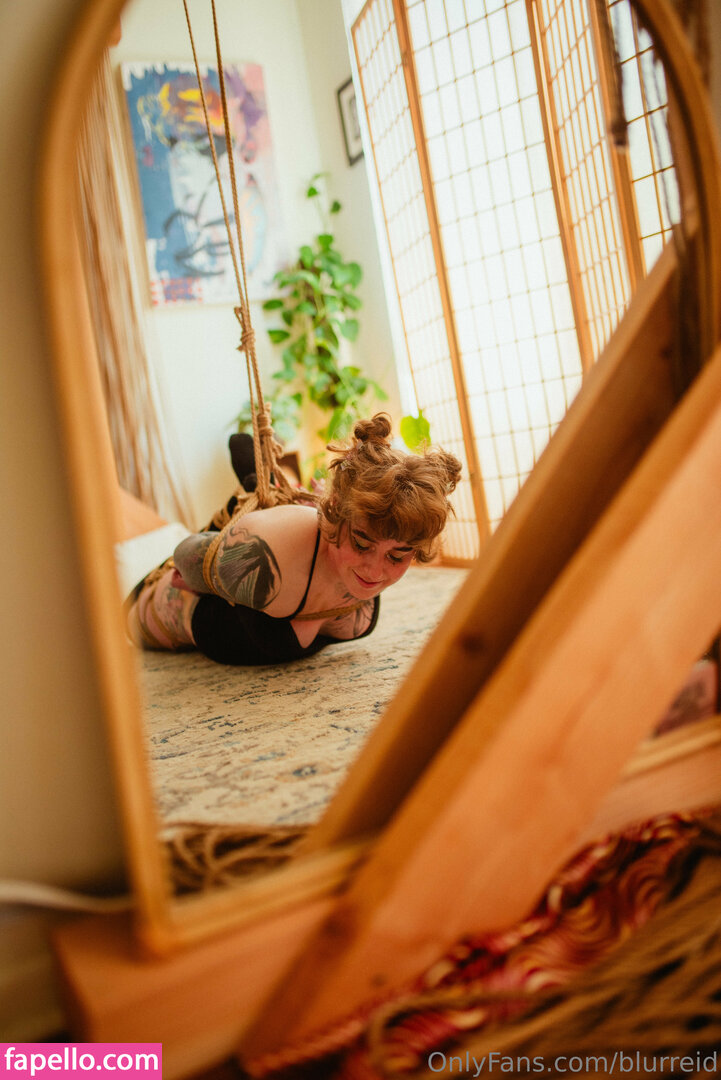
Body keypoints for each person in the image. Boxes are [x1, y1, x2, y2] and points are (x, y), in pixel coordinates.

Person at [126, 414, 461, 665]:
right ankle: (255, 487)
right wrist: (210, 580)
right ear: (335, 509)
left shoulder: (366, 556)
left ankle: (260, 481)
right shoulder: (270, 548)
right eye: (361, 544)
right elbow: (186, 553)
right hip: (144, 611)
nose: (375, 571)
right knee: (255, 542)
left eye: (397, 556)